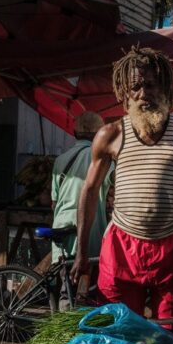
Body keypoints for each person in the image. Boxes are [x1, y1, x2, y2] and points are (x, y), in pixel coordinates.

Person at [71, 47, 173, 324]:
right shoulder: (110, 135)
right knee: (119, 330)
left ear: (165, 88)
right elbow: (89, 191)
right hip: (121, 246)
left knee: (167, 334)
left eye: (150, 85)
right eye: (135, 87)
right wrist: (82, 254)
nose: (143, 93)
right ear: (124, 92)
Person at [49, 111, 108, 263]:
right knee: (89, 279)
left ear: (75, 133)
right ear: (100, 134)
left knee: (63, 278)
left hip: (61, 225)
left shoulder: (60, 160)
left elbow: (54, 202)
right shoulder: (103, 159)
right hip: (90, 230)